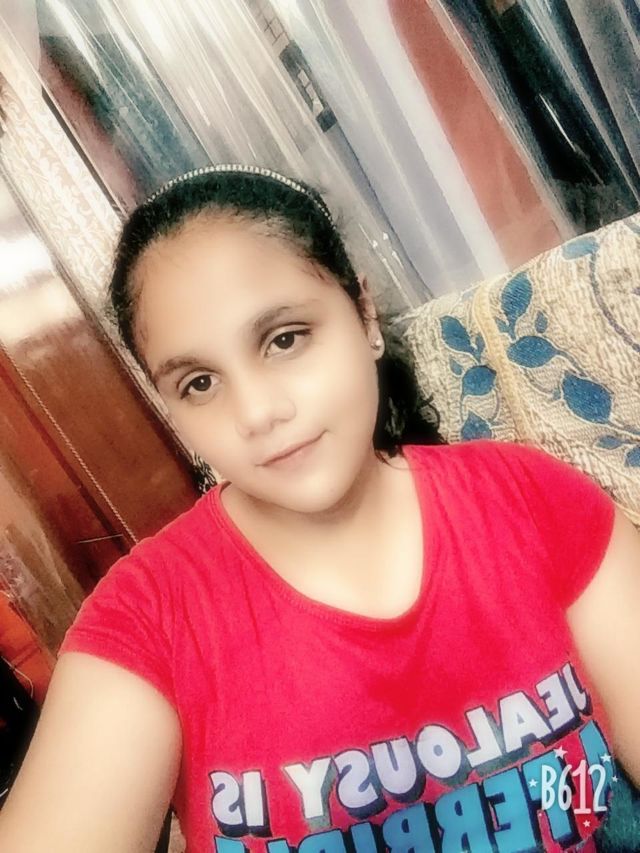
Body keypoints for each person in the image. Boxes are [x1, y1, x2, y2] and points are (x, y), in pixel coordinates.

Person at [0, 164, 638, 853]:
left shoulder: (531, 502)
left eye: (285, 339)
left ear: (364, 315)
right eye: (200, 382)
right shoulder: (152, 615)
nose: (257, 412)